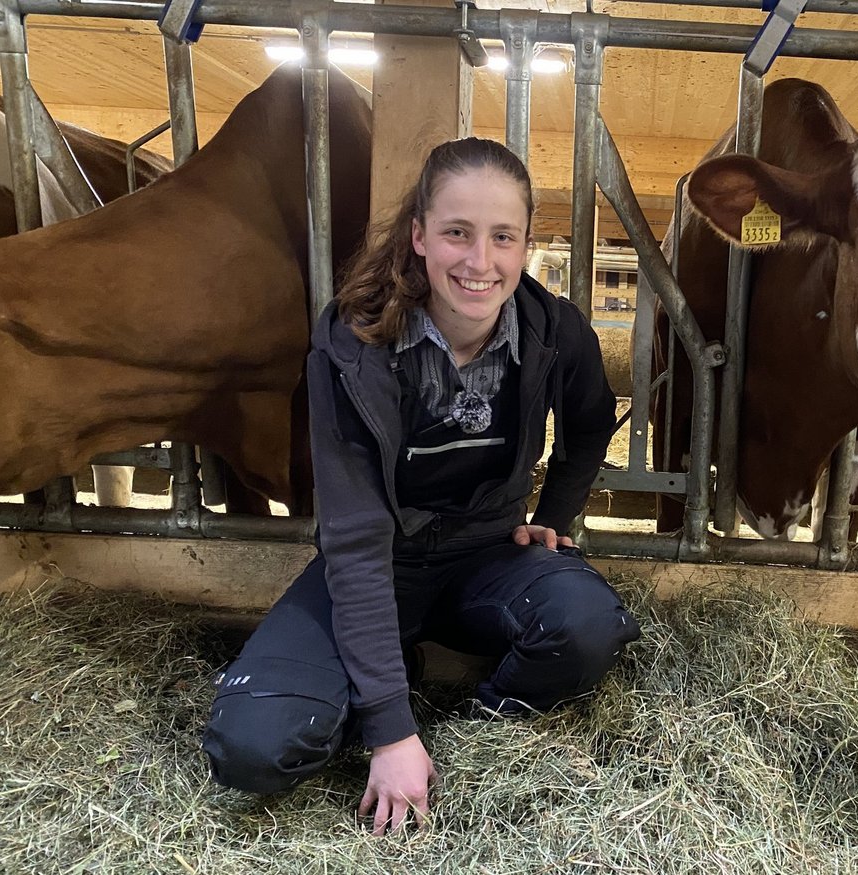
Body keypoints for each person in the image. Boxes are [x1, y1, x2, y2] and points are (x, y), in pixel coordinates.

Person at [201, 137, 639, 833]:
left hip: (489, 556)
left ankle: (475, 724)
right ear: (419, 237)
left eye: (503, 236)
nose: (480, 261)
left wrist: (555, 516)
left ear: (527, 244)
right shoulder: (353, 346)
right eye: (457, 232)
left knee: (587, 625)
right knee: (252, 749)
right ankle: (388, 674)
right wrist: (391, 732)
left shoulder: (554, 332)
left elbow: (589, 427)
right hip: (380, 563)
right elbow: (354, 540)